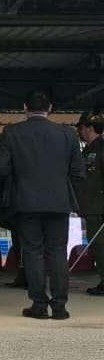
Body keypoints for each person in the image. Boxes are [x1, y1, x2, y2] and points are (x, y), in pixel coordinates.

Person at [0, 91, 85, 320]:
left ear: (25, 107)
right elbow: (78, 172)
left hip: (26, 203)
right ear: (50, 108)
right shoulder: (67, 134)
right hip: (59, 202)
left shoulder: (12, 132)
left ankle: (39, 304)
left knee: (33, 252)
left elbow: (1, 169)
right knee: (57, 252)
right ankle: (60, 306)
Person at [73, 111, 104, 296]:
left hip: (98, 207)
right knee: (97, 245)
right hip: (91, 206)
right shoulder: (89, 149)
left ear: (89, 128)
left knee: (100, 245)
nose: (79, 131)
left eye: (81, 128)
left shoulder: (100, 148)